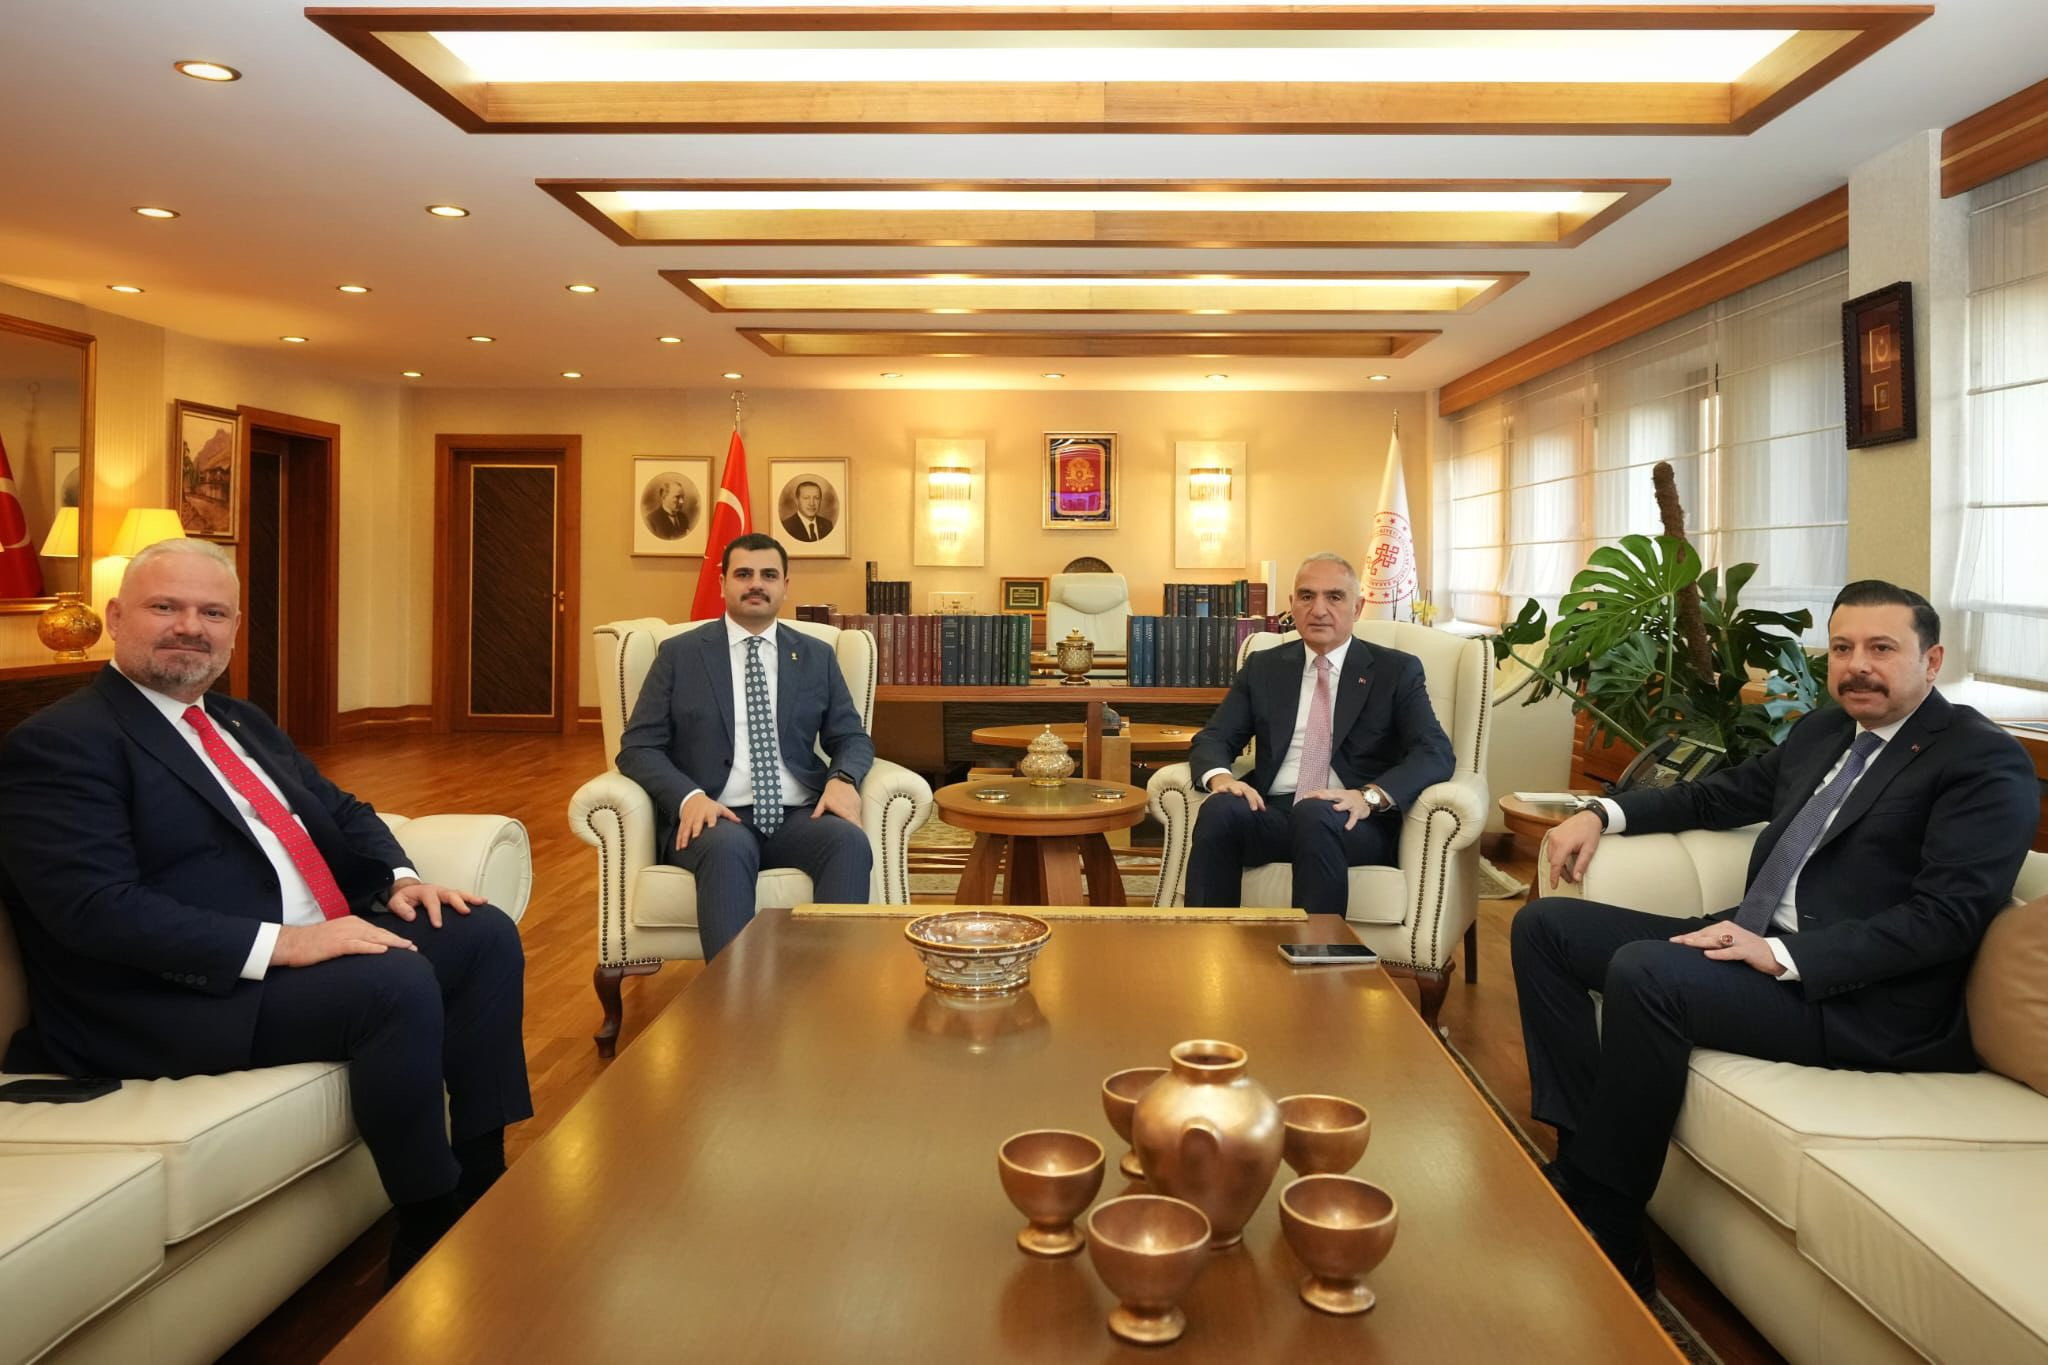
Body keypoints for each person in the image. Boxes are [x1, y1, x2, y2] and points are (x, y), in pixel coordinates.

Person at [0, 539, 531, 1285]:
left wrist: (400, 878)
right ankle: (430, 1218)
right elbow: (95, 911)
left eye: (212, 613)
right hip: (168, 995)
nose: (191, 627)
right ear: (115, 619)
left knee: (480, 933)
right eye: (165, 607)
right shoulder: (61, 743)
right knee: (393, 984)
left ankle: (484, 1179)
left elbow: (342, 810)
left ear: (234, 630)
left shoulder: (236, 719)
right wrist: (285, 943)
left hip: (298, 948)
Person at [1511, 580, 2037, 1298]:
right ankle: (1581, 1163)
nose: (1858, 665)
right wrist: (1603, 812)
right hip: (1754, 940)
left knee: (1646, 972)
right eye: (1843, 647)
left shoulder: (1982, 761)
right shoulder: (1826, 732)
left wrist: (1785, 954)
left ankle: (1610, 1221)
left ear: (1933, 660)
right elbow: (1715, 795)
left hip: (1862, 1000)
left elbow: (1947, 918)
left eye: (1882, 648)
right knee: (1544, 927)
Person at [617, 532, 874, 960]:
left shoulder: (815, 656)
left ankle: (829, 986)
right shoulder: (679, 655)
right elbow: (638, 747)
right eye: (743, 574)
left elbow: (851, 737)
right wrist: (688, 797)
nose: (756, 584)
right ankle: (733, 995)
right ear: (722, 583)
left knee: (847, 841)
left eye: (769, 575)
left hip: (796, 815)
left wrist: (843, 779)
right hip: (714, 815)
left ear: (785, 586)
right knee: (728, 847)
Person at [1183, 552, 1454, 913]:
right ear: (1292, 604)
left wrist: (1369, 797)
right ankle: (1207, 942)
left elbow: (1434, 752)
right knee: (1221, 809)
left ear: (1357, 607)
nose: (1319, 609)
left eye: (1335, 597)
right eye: (1307, 596)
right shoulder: (1265, 668)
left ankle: (1318, 947)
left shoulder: (1395, 671)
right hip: (1273, 812)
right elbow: (1215, 737)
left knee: (1314, 815)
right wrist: (1221, 780)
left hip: (1350, 818)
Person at [642, 474, 698, 541]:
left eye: (682, 497)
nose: (682, 501)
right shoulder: (651, 520)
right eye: (677, 497)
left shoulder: (683, 518)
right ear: (664, 497)